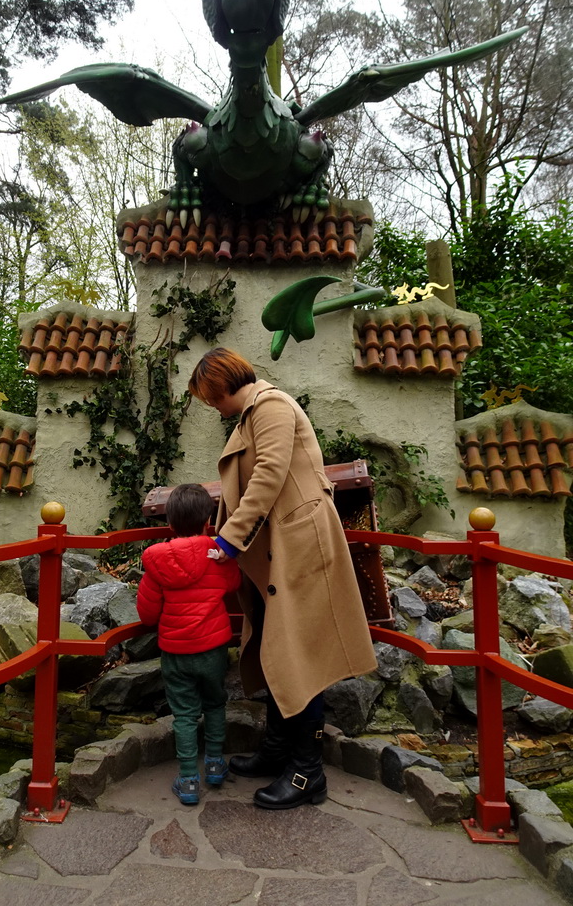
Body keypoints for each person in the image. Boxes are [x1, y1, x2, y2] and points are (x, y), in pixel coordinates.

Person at [188, 347, 377, 810]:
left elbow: (269, 474)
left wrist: (230, 538)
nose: (212, 406)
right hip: (279, 548)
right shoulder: (252, 415)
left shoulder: (270, 406)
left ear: (224, 384)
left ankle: (307, 771)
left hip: (300, 546)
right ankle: (277, 749)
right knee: (279, 646)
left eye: (211, 397)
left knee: (301, 654)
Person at [137, 483, 241, 805]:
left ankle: (188, 779)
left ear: (169, 524)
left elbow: (147, 613)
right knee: (214, 703)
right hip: (213, 648)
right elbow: (233, 583)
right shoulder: (217, 555)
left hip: (176, 649)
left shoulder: (156, 561)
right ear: (208, 522)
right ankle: (213, 764)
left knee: (183, 714)